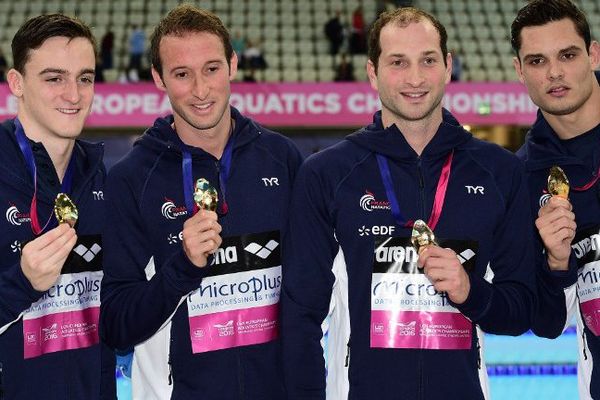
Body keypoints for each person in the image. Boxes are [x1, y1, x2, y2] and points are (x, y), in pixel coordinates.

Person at [281, 7, 535, 399]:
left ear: (448, 65)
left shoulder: (498, 172)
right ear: (372, 72)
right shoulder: (328, 175)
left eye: (428, 61)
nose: (415, 78)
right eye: (398, 63)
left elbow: (520, 309)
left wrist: (471, 291)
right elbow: (301, 316)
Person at [99, 4, 303, 399]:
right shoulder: (132, 180)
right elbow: (116, 325)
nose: (200, 89)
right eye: (181, 74)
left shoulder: (284, 159)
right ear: (158, 78)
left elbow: (314, 288)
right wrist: (182, 267)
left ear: (233, 64)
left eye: (211, 68)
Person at [0, 14, 115, 400]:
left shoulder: (102, 180)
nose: (74, 95)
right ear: (16, 83)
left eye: (84, 78)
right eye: (54, 79)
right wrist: (21, 283)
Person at [511, 1, 600, 398]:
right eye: (536, 60)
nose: (554, 73)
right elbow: (547, 324)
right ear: (519, 71)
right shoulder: (525, 179)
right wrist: (557, 261)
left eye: (567, 54)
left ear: (593, 53)